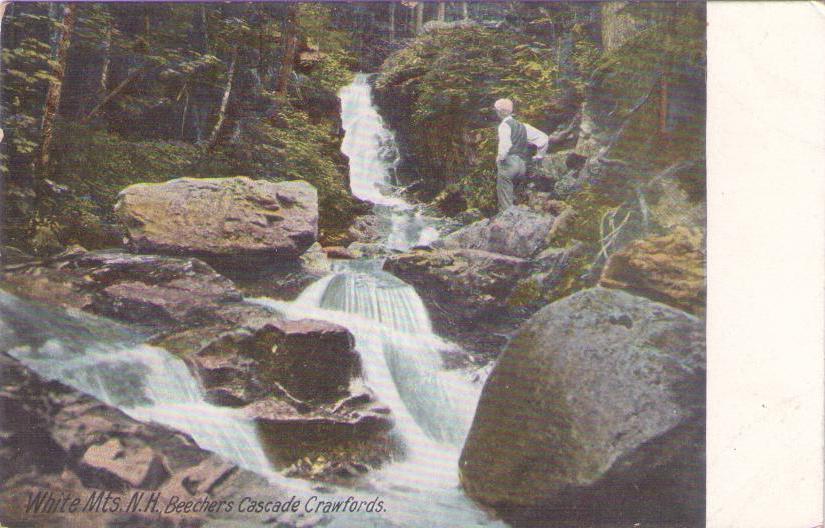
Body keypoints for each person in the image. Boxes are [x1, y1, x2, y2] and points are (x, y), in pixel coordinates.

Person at [493, 98, 549, 212]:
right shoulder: (523, 126)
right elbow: (544, 139)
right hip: (522, 165)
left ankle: (506, 220)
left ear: (499, 112)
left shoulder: (504, 125)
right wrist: (538, 157)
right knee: (517, 195)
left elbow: (505, 145)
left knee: (505, 199)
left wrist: (500, 159)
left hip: (509, 163)